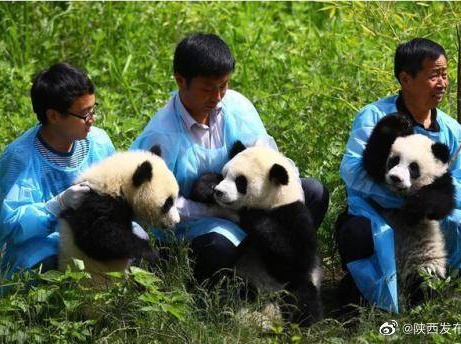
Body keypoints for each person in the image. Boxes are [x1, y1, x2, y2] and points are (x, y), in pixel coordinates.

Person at [130, 33, 329, 283]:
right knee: (217, 246)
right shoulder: (162, 135)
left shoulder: (237, 106)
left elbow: (268, 158)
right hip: (193, 225)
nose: (217, 97)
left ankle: (275, 266)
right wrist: (219, 212)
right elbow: (158, 203)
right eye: (207, 89)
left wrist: (286, 207)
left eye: (223, 85)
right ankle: (224, 284)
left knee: (312, 193)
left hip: (243, 206)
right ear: (181, 80)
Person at [337, 38, 461, 312]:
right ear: (405, 79)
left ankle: (439, 288)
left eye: (445, 75)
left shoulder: (451, 130)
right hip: (375, 212)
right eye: (434, 75)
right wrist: (397, 196)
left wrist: (426, 199)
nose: (443, 83)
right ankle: (362, 292)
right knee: (355, 230)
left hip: (426, 220)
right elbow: (352, 168)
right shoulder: (376, 117)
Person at [0, 62, 115, 282]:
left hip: (92, 234)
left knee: (135, 240)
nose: (92, 120)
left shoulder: (98, 142)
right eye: (84, 114)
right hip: (42, 248)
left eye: (93, 109)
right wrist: (57, 205)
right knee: (51, 268)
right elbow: (10, 228)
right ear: (54, 116)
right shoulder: (21, 158)